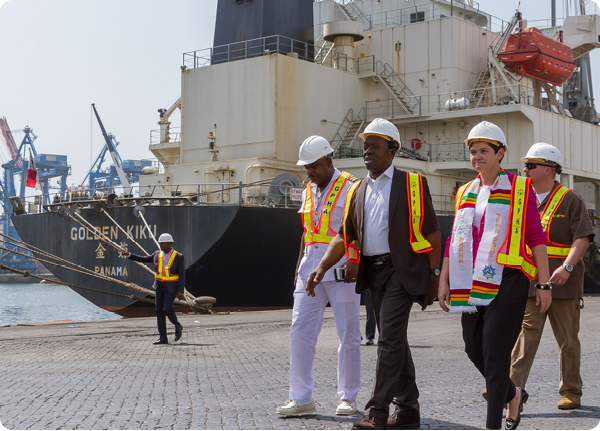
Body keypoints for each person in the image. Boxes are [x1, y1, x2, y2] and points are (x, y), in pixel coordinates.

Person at [307, 118, 441, 430]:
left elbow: (433, 233)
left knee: (388, 342)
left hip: (402, 272)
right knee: (395, 342)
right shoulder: (358, 189)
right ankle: (408, 411)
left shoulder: (413, 184)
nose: (368, 150)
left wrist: (434, 276)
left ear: (392, 151)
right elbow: (344, 236)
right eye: (365, 145)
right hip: (374, 274)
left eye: (375, 146)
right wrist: (321, 267)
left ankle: (376, 412)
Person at [438, 121, 551, 430]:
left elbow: (535, 235)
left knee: (495, 351)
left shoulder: (520, 187)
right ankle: (513, 393)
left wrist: (544, 283)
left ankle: (492, 426)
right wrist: (443, 280)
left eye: (484, 151)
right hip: (468, 279)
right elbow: (453, 239)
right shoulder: (464, 191)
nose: (477, 157)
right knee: (472, 347)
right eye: (473, 152)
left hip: (510, 279)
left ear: (500, 154)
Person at [276, 136, 362, 417]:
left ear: (328, 160)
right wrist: (298, 268)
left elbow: (358, 230)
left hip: (341, 272)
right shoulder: (308, 189)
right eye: (306, 167)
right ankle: (301, 398)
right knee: (300, 332)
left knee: (348, 334)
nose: (309, 171)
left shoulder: (351, 187)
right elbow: (307, 231)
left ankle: (347, 397)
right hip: (308, 271)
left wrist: (355, 262)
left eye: (313, 166)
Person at [510, 143, 594, 410]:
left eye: (531, 165)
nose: (525, 169)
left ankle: (571, 391)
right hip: (532, 283)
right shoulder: (521, 198)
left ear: (548, 169)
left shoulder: (570, 199)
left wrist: (567, 268)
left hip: (564, 285)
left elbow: (582, 237)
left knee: (568, 340)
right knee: (526, 337)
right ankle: (510, 391)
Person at [121, 233, 185, 345]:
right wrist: (129, 255)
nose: (160, 245)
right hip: (159, 286)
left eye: (162, 244)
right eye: (160, 243)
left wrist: (180, 291)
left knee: (167, 308)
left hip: (171, 287)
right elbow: (143, 259)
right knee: (159, 310)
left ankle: (177, 325)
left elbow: (182, 275)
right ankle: (163, 338)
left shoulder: (178, 256)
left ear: (168, 244)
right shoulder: (157, 254)